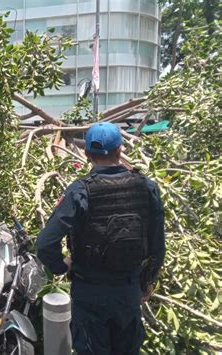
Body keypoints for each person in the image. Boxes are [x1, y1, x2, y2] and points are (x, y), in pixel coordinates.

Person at [36, 122, 165, 355]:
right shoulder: (146, 187)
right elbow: (157, 244)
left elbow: (45, 243)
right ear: (120, 150)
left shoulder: (79, 191)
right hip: (128, 291)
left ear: (86, 154)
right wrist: (147, 282)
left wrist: (60, 265)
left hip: (90, 292)